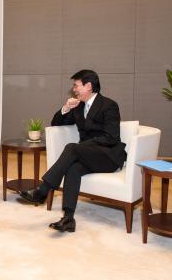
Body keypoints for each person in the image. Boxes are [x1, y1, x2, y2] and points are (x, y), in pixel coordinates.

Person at [18, 70, 126, 232]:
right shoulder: (78, 106)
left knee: (72, 148)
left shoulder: (109, 105)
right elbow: (56, 123)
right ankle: (68, 218)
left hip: (108, 156)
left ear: (88, 86)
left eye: (76, 85)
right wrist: (66, 107)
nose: (74, 89)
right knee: (73, 169)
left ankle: (43, 190)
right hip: (87, 155)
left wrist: (84, 146)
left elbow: (111, 137)